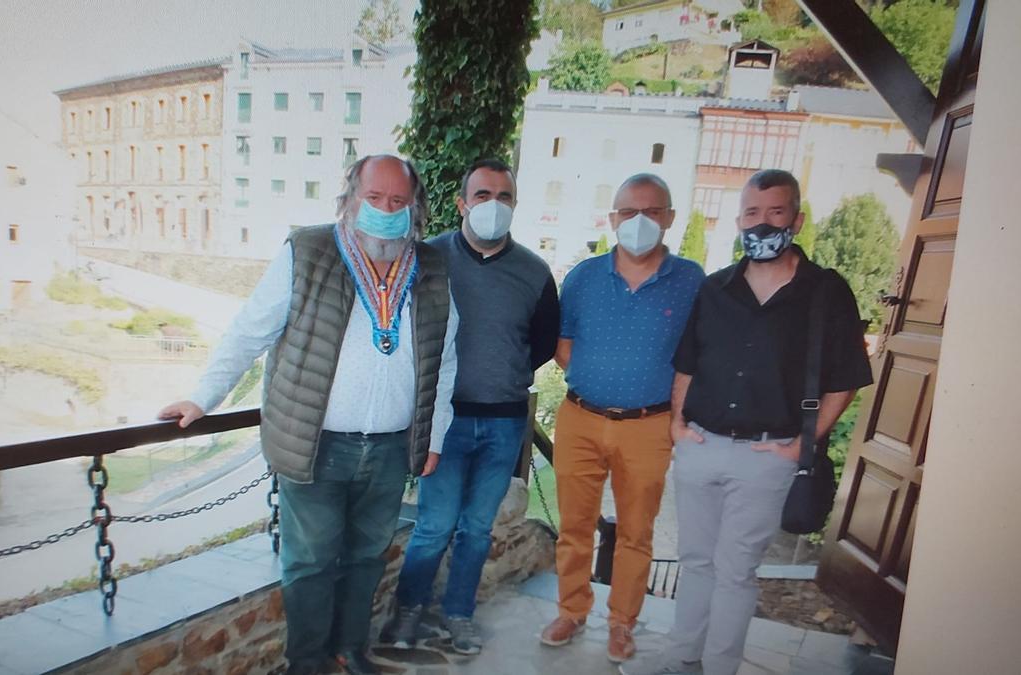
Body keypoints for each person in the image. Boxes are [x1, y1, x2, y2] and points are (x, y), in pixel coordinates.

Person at [158, 155, 458, 675]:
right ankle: (308, 663)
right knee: (311, 562)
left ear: (414, 209)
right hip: (316, 442)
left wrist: (434, 436)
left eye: (398, 202)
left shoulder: (430, 267)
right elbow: (250, 332)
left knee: (367, 558)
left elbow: (445, 359)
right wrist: (202, 398)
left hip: (390, 446)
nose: (386, 211)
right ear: (350, 197)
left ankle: (350, 650)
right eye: (375, 198)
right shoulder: (309, 251)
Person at [627, 169, 872, 675]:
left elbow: (845, 379)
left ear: (797, 219)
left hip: (768, 454)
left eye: (776, 213)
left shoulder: (826, 293)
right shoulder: (716, 288)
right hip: (701, 445)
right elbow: (688, 363)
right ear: (739, 220)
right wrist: (677, 426)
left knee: (736, 571)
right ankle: (680, 660)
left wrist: (802, 443)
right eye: (753, 214)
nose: (763, 224)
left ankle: (720, 668)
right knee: (696, 562)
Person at [383, 159, 559, 655]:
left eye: (504, 196)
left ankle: (459, 613)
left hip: (505, 423)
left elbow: (542, 342)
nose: (493, 205)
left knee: (477, 529)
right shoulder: (427, 258)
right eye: (482, 195)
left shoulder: (533, 271)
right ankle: (409, 610)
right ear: (462, 203)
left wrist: (499, 371)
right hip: (443, 420)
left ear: (515, 206)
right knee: (434, 525)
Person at [541, 173, 704, 663]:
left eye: (652, 212)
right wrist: (602, 381)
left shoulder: (693, 280)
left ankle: (622, 623)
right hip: (581, 418)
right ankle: (571, 611)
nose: (639, 221)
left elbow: (697, 356)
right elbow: (562, 345)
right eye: (628, 212)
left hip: (650, 425)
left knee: (637, 531)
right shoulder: (583, 277)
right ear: (611, 219)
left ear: (670, 218)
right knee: (574, 524)